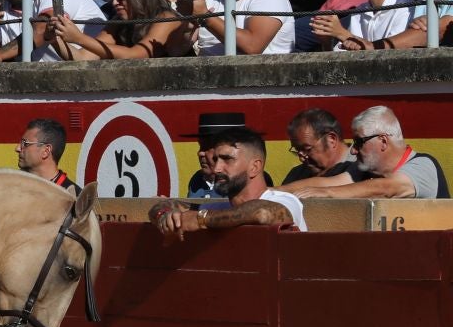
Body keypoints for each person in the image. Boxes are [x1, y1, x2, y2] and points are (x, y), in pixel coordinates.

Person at [151, 127, 306, 235]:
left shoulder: (286, 202)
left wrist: (200, 219)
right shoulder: (220, 207)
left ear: (254, 167)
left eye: (227, 159)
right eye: (216, 159)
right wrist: (165, 217)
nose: (217, 168)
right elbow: (166, 204)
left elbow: (262, 212)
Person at [284, 105, 448, 199]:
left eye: (359, 142)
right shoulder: (363, 170)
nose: (353, 150)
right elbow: (327, 182)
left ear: (383, 141)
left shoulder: (422, 165)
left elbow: (387, 188)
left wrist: (326, 194)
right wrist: (274, 191)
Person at [51, 0, 190, 59]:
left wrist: (79, 38)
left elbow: (136, 55)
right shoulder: (119, 22)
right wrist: (54, 38)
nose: (115, 2)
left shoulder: (166, 18)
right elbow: (82, 57)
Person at [282, 107, 372, 184]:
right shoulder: (296, 174)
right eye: (297, 151)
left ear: (331, 140)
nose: (301, 158)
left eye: (307, 149)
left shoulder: (364, 168)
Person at [15, 117, 77, 192]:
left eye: (25, 143)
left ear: (46, 151)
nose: (17, 148)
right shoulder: (14, 189)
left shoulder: (75, 199)